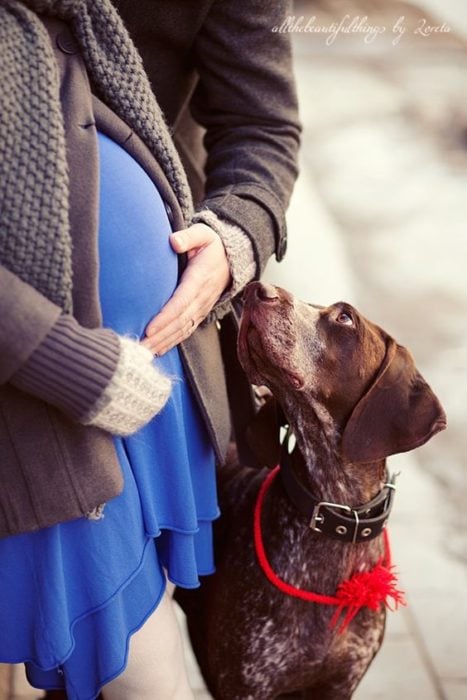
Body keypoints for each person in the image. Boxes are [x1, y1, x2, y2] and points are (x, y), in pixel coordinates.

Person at [0, 1, 300, 699]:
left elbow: (262, 125)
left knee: (138, 637)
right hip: (41, 377)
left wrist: (234, 240)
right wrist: (62, 360)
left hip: (153, 362)